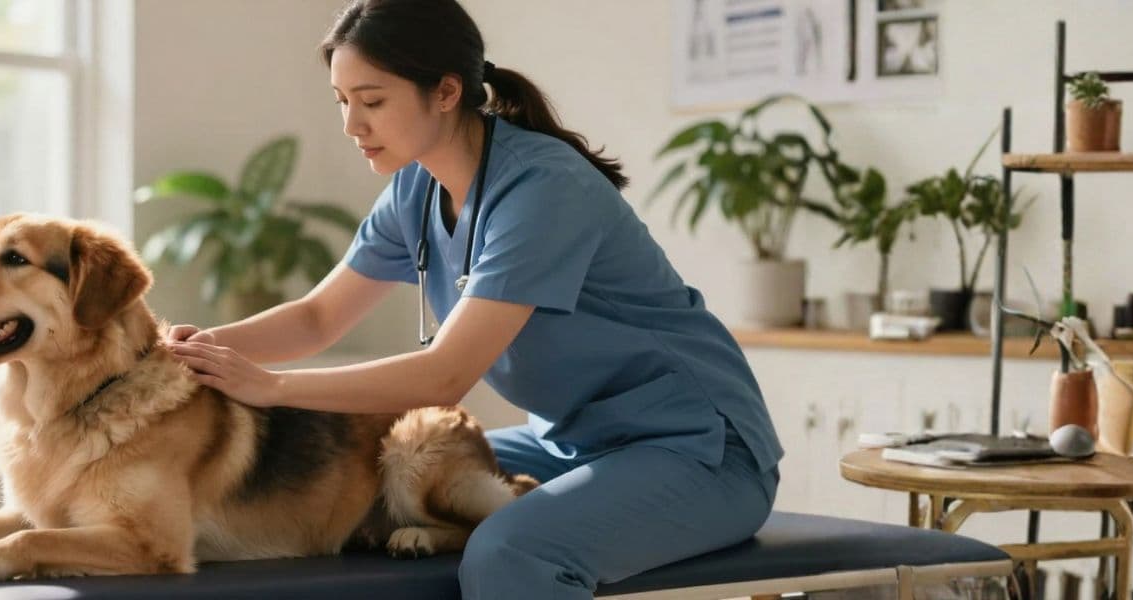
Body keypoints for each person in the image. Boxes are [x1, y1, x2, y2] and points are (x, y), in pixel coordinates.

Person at [165, 1, 783, 598]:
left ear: (446, 91)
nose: (352, 126)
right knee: (358, 482)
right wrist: (190, 352)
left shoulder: (544, 188)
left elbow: (446, 374)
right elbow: (318, 317)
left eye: (373, 101)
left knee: (512, 550)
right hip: (569, 443)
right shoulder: (415, 190)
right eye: (343, 102)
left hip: (698, 452)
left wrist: (270, 388)